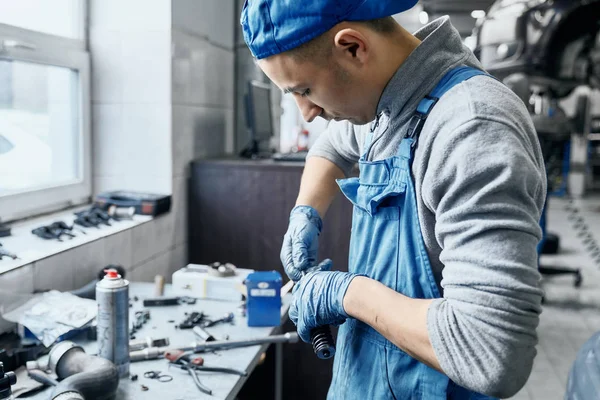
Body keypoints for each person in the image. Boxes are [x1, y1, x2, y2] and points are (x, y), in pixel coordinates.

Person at [241, 1, 546, 399]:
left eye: (304, 90)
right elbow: (331, 147)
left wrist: (346, 294)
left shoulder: (471, 129)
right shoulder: (388, 104)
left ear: (352, 47)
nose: (308, 113)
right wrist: (305, 213)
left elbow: (492, 355)